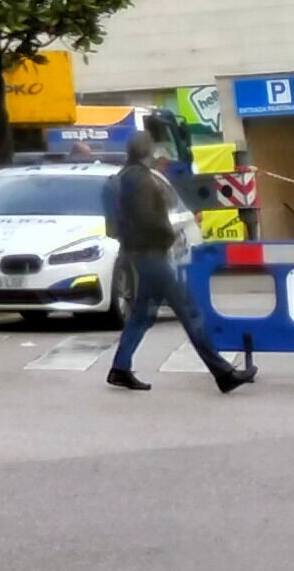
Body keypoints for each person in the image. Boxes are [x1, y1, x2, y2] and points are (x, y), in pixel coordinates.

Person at [102, 123, 246, 395]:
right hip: (152, 254)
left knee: (143, 315)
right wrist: (168, 235)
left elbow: (114, 223)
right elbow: (150, 220)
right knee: (188, 311)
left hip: (135, 252)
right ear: (149, 151)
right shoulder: (144, 180)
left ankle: (120, 368)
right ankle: (223, 373)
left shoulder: (120, 178)